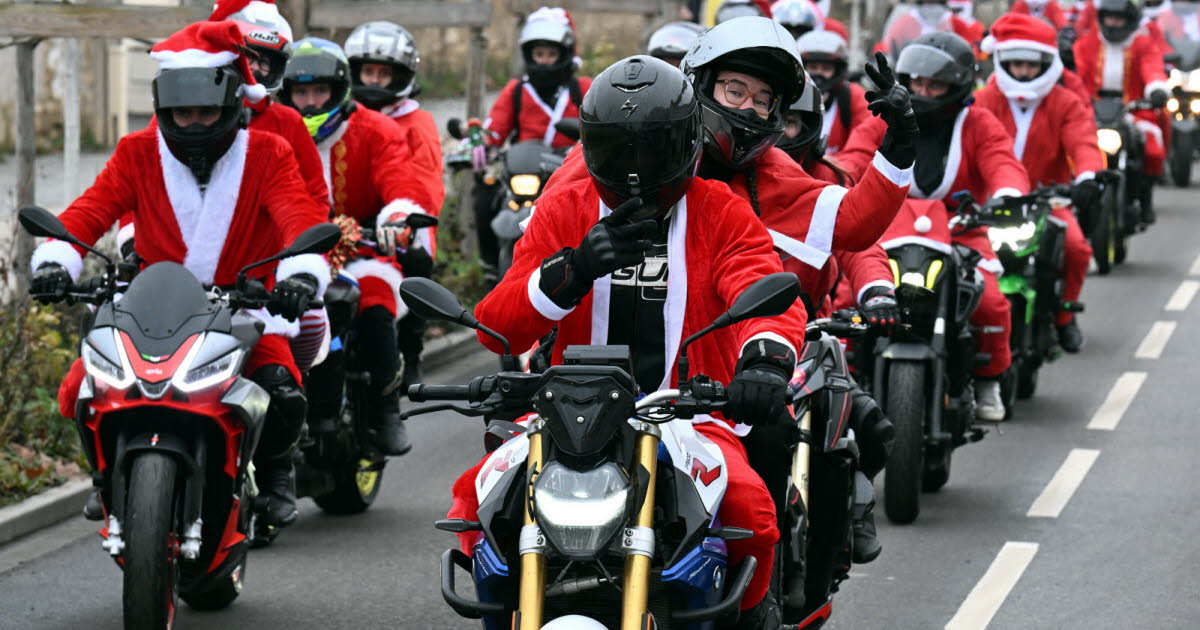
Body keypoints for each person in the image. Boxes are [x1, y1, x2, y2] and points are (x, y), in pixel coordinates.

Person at [452, 55, 810, 628]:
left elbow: (762, 288)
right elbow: (499, 324)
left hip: (691, 416)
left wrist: (764, 362)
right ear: (592, 147)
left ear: (687, 142)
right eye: (619, 150)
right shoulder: (564, 209)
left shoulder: (722, 210)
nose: (635, 169)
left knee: (752, 510)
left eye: (652, 148)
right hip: (567, 417)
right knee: (478, 499)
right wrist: (570, 272)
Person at [542, 16, 915, 563]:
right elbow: (535, 259)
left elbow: (854, 225)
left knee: (770, 451)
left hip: (710, 386)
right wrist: (551, 294)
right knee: (501, 488)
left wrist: (900, 144)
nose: (746, 108)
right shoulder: (606, 154)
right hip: (590, 377)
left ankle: (761, 592)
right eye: (734, 89)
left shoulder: (769, 172)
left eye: (763, 99)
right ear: (698, 84)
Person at [31, 22, 330, 527]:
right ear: (163, 111)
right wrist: (58, 260)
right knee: (85, 385)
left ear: (232, 106)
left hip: (243, 304)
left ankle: (276, 471)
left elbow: (298, 216)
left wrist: (301, 274)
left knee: (280, 386)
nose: (192, 124)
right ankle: (104, 476)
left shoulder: (269, 153)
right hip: (152, 306)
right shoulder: (136, 152)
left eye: (205, 111)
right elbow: (89, 212)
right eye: (181, 113)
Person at [840, 31, 1031, 422]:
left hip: (962, 230)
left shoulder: (979, 122)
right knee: (845, 294)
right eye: (917, 83)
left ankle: (989, 378)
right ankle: (843, 374)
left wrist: (1007, 195)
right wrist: (834, 184)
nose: (924, 92)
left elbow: (1002, 162)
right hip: (887, 230)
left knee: (992, 301)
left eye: (935, 84)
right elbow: (853, 158)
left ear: (958, 86)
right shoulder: (884, 119)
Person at [280, 38, 434, 456]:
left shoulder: (376, 129)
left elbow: (400, 183)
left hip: (365, 247)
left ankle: (385, 407)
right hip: (289, 253)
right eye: (300, 92)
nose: (310, 103)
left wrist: (396, 219)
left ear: (339, 90)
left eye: (319, 92)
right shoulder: (273, 132)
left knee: (375, 299)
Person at [975, 14, 1102, 353]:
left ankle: (1064, 314)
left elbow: (1084, 143)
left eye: (1031, 64)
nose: (1023, 71)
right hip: (993, 205)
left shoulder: (1065, 102)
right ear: (1002, 60)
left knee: (1076, 249)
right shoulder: (984, 99)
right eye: (1015, 63)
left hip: (1049, 202)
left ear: (1046, 63)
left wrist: (1088, 177)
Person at [344, 21, 445, 391]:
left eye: (382, 74)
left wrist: (404, 218)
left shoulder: (416, 122)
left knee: (418, 261)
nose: (373, 81)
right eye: (367, 71)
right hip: (347, 216)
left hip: (402, 216)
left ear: (399, 76)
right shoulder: (342, 117)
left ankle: (411, 350)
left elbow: (425, 181)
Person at [476, 7, 591, 282]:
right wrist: (481, 146)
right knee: (484, 194)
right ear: (529, 56)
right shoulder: (516, 91)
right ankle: (491, 263)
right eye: (539, 55)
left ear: (564, 55)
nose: (545, 62)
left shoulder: (583, 88)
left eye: (551, 55)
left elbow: (598, 122)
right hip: (524, 170)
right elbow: (494, 129)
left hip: (568, 171)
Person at [1073, 0, 1170, 223]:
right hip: (1092, 111)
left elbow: (1152, 68)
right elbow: (1077, 75)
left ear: (1130, 21)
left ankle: (1145, 199)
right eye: (1109, 18)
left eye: (1119, 19)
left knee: (1152, 145)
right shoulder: (1086, 44)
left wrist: (1156, 89)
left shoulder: (1143, 44)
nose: (1113, 24)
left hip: (1133, 110)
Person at [796, 29, 870, 155]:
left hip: (836, 172)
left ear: (837, 71)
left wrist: (832, 168)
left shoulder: (852, 96)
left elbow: (864, 145)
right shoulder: (787, 96)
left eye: (826, 69)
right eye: (813, 67)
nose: (818, 74)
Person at [875, 0, 984, 59]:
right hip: (911, 71)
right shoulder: (906, 21)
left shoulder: (952, 20)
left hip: (946, 72)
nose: (931, 5)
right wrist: (880, 53)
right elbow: (888, 43)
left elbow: (970, 43)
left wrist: (973, 50)